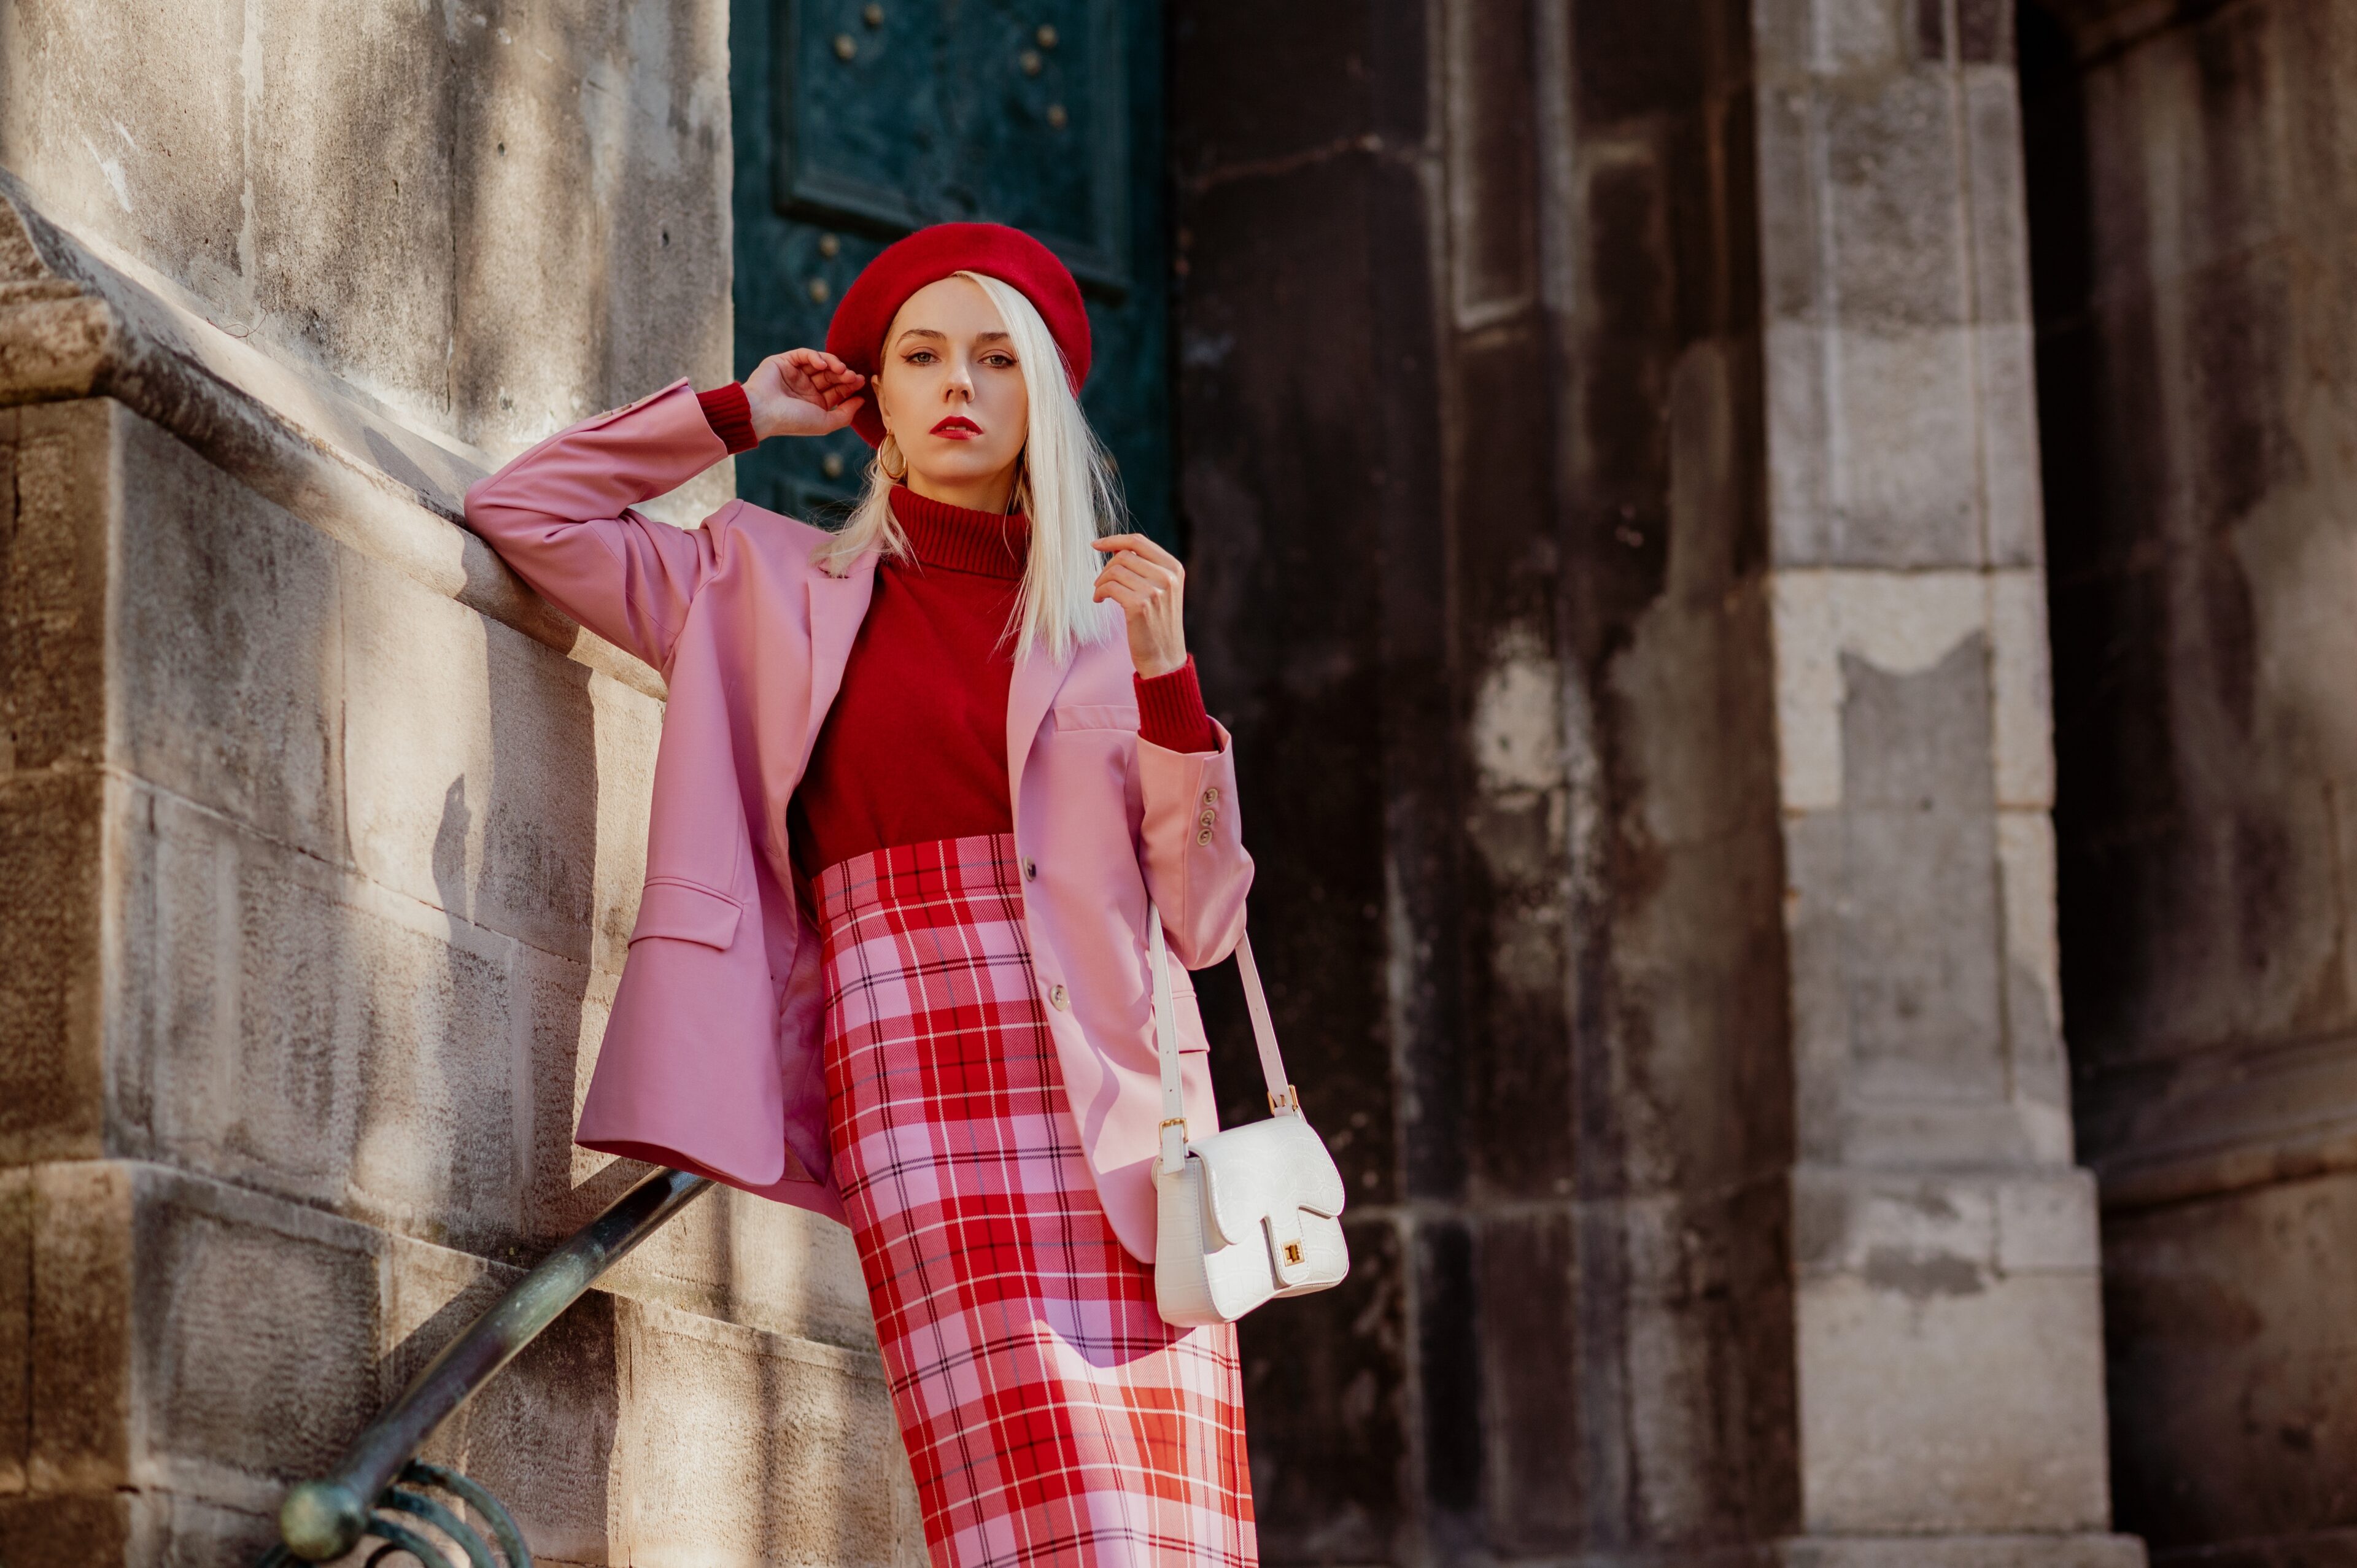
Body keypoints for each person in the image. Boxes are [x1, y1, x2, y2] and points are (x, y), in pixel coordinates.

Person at [463, 223, 1257, 1566]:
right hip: (914, 1073)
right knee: (1025, 1500)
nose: (959, 384)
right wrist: (737, 415)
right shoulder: (760, 581)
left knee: (1158, 1513)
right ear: (875, 393)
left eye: (997, 359)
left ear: (1041, 403)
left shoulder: (1105, 627)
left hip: (1123, 1104)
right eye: (922, 355)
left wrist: (1173, 691)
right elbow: (526, 512)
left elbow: (1204, 921)